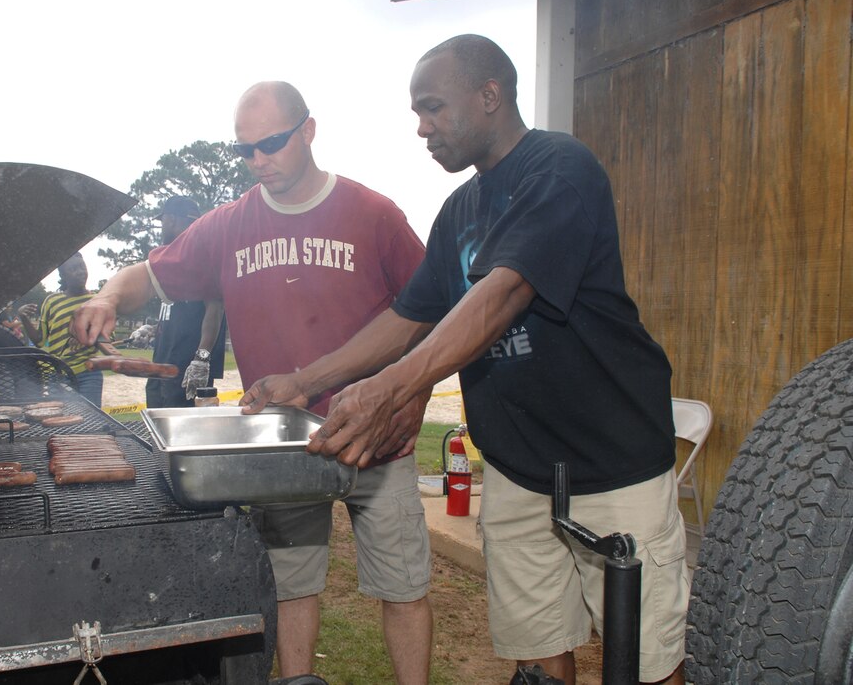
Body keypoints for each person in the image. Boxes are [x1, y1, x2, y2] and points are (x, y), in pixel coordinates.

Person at [240, 36, 688, 685]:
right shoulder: (459, 211)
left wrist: (391, 389)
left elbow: (503, 293)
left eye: (433, 108)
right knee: (537, 657)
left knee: (644, 659)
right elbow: (407, 318)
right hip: (517, 468)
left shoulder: (560, 169)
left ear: (490, 95)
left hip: (612, 463)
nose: (421, 127)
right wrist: (304, 381)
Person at [71, 81, 434, 684]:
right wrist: (109, 294)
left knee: (402, 587)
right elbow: (149, 275)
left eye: (271, 143)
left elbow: (431, 307)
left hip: (376, 439)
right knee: (291, 586)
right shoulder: (228, 226)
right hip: (281, 445)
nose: (258, 160)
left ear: (309, 131)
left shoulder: (373, 214)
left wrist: (410, 391)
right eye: (245, 150)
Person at [146, 195, 227, 408]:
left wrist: (201, 359)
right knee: (157, 432)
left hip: (186, 368)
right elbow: (181, 312)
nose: (162, 227)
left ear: (171, 219)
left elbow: (215, 308)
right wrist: (154, 328)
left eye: (162, 221)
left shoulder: (203, 256)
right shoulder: (170, 259)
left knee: (181, 435)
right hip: (161, 364)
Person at [19, 252, 118, 406]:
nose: (80, 271)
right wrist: (24, 318)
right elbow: (39, 341)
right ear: (63, 276)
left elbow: (107, 339)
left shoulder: (97, 301)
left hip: (89, 373)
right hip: (57, 375)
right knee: (57, 418)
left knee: (91, 421)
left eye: (82, 266)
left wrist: (86, 335)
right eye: (73, 269)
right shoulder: (51, 301)